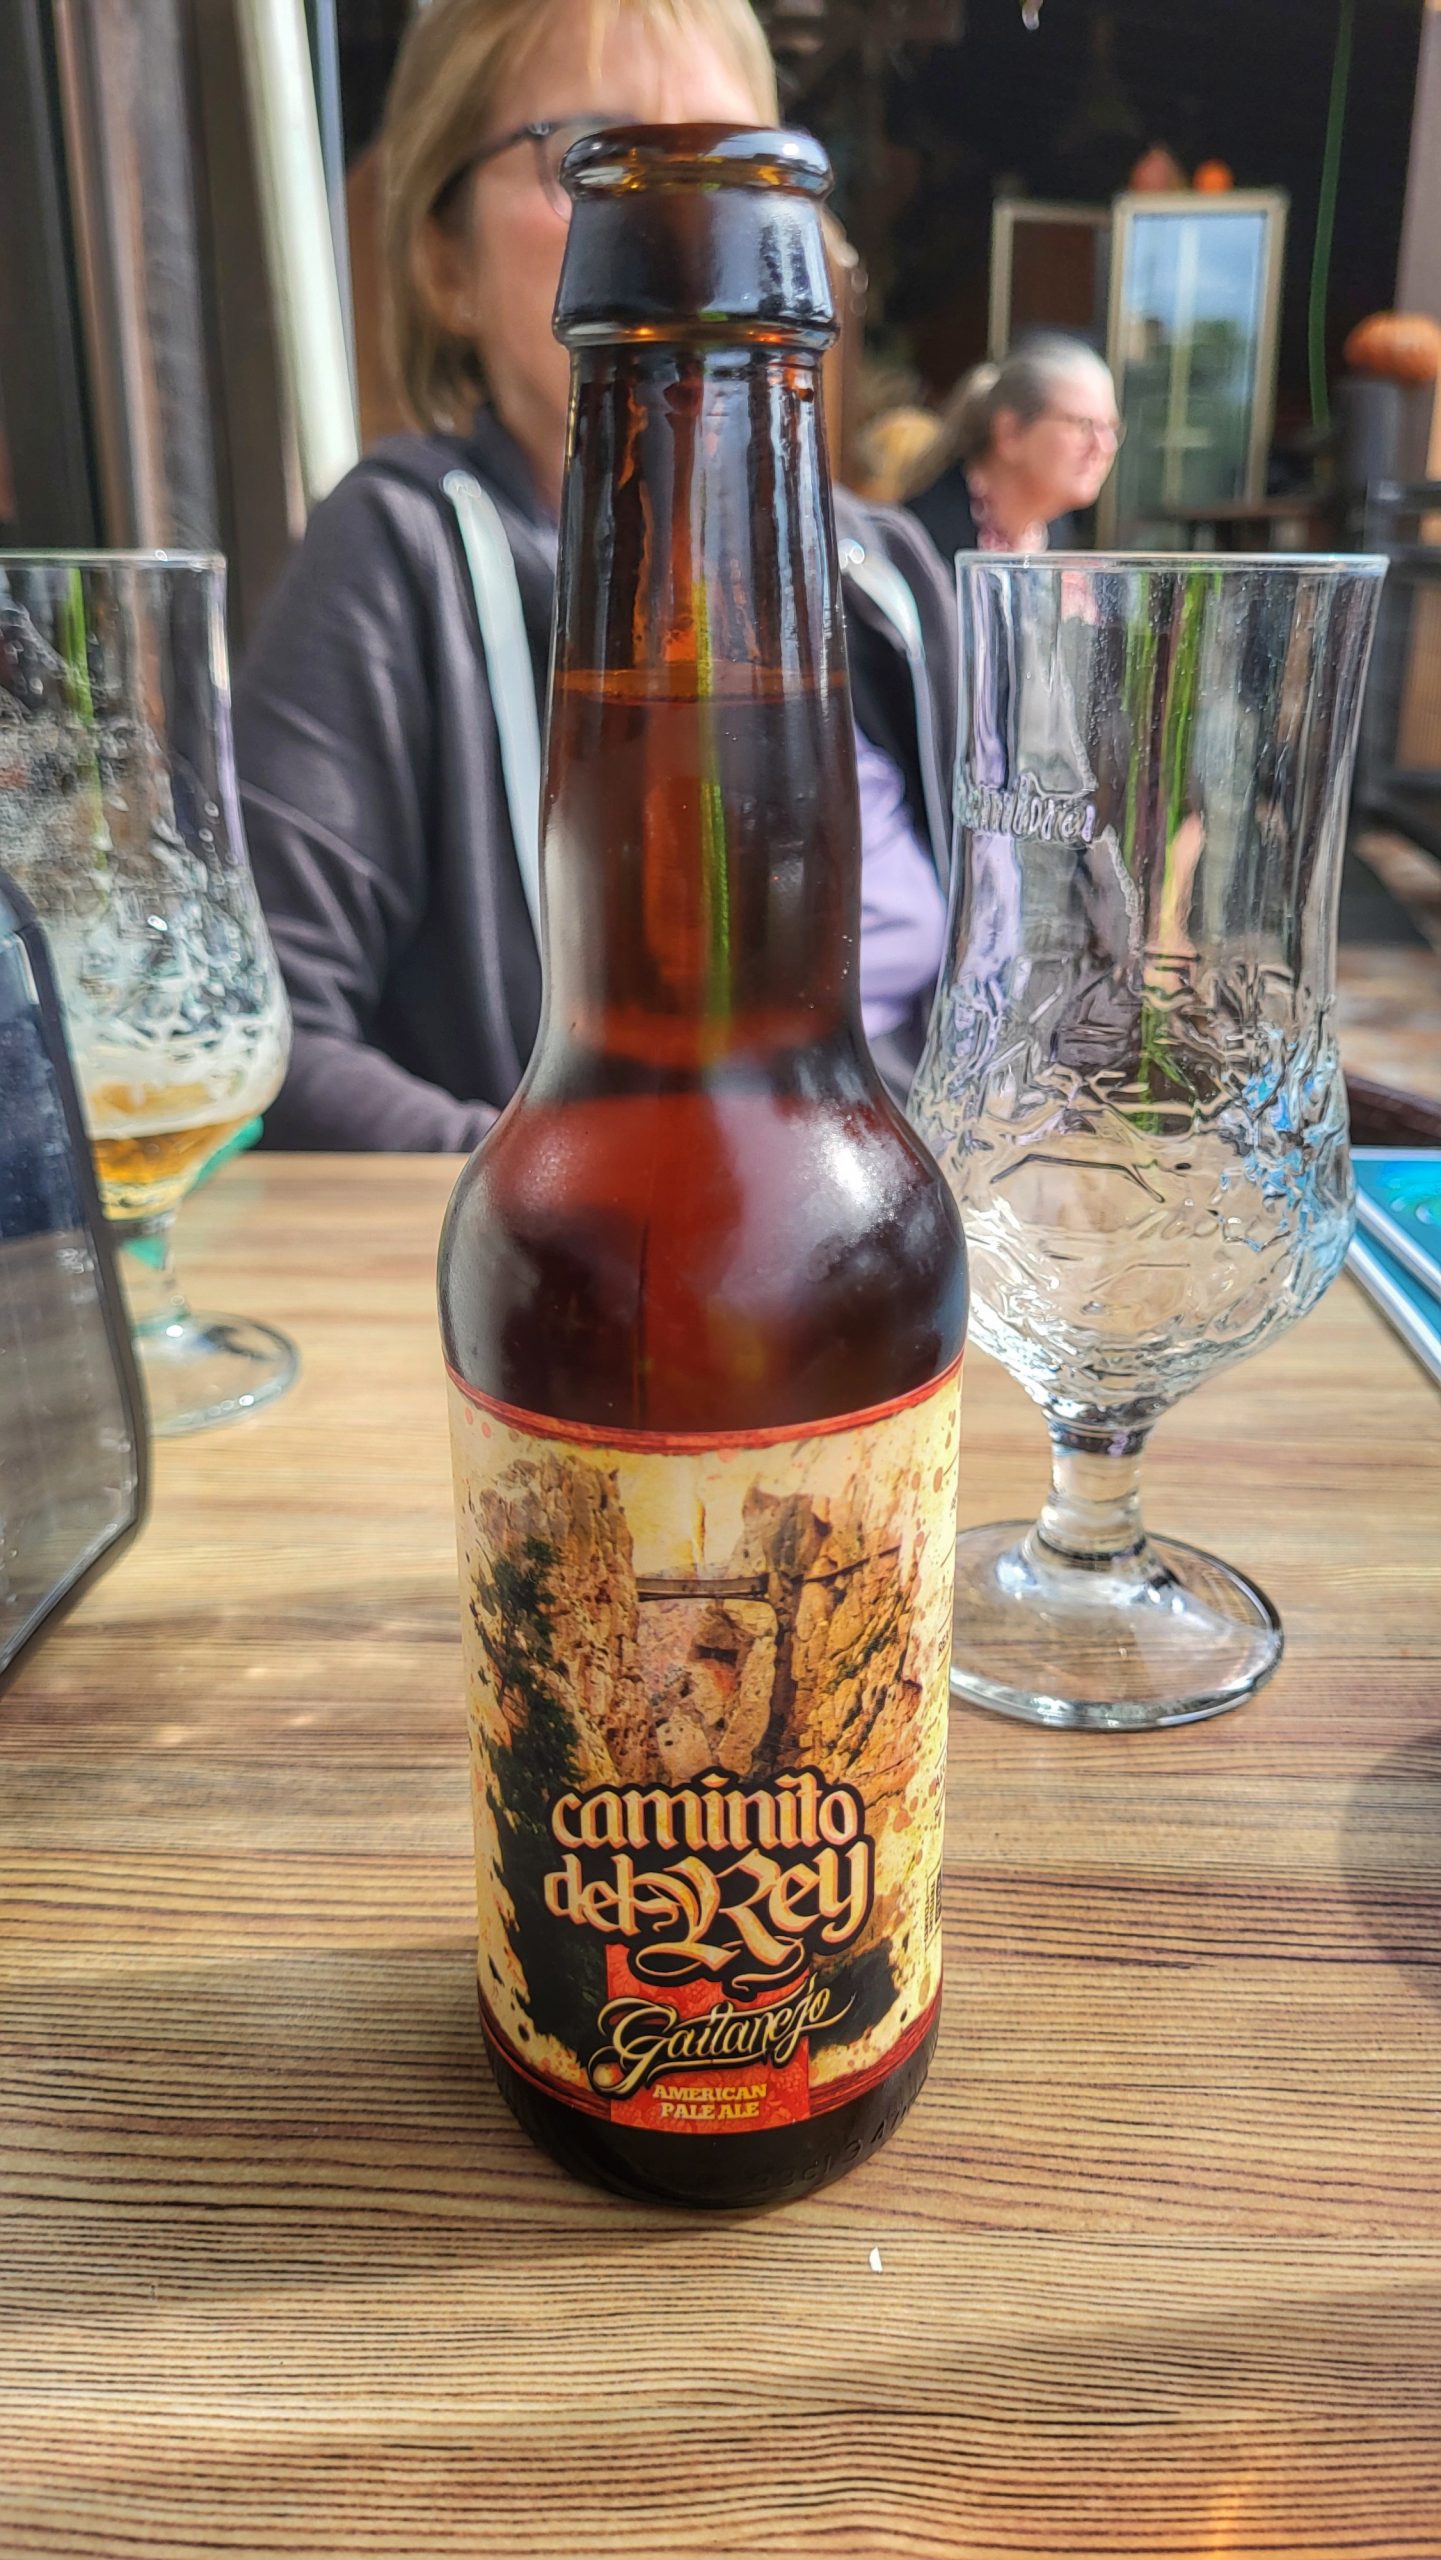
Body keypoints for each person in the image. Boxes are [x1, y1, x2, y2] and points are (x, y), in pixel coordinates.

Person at [234, 0, 956, 1151]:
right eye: (590, 156)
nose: (677, 222)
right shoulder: (403, 552)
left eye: (724, 171)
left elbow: (1040, 969)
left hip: (905, 1214)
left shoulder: (890, 575)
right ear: (446, 263)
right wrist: (567, 1203)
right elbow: (264, 1032)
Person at [902, 333, 1122, 560]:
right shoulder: (925, 540)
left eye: (1111, 428)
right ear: (1010, 432)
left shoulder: (1053, 533)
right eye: (1083, 425)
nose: (1105, 446)